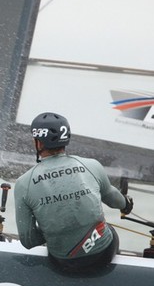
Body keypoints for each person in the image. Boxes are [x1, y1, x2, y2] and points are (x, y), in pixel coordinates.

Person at [13, 112, 132, 273]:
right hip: (102, 256)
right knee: (107, 229)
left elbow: (28, 240)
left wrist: (54, 231)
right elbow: (113, 199)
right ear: (66, 138)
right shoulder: (92, 166)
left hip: (63, 264)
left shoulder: (23, 183)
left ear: (39, 143)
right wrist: (126, 204)